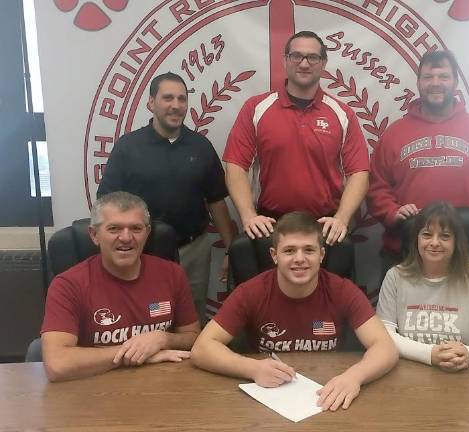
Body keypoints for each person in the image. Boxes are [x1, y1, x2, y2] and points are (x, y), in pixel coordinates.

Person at [191, 212, 398, 411]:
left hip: (328, 393)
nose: (299, 259)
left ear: (321, 254)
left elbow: (385, 347)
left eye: (309, 250)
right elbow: (202, 348)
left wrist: (354, 377)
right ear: (274, 255)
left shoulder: (343, 290)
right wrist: (251, 368)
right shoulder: (250, 291)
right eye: (289, 250)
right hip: (268, 396)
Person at [97, 72, 237, 324]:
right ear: (151, 103)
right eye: (167, 98)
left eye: (182, 99)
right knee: (143, 317)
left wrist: (232, 249)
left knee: (191, 318)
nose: (176, 105)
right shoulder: (128, 147)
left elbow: (217, 201)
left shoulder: (201, 147)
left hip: (192, 250)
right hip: (142, 251)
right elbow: (107, 202)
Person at [367, 50, 469, 270]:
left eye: (443, 77)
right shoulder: (394, 134)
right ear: (419, 82)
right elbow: (376, 189)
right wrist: (392, 211)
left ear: (456, 82)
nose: (435, 83)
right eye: (428, 77)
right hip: (407, 255)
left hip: (466, 254)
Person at [223, 31, 369, 245]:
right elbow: (235, 165)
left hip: (324, 227)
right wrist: (248, 216)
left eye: (312, 57)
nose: (304, 64)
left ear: (323, 63)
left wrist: (341, 219)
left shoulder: (343, 114)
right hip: (270, 226)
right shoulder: (255, 108)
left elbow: (359, 173)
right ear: (285, 60)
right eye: (296, 56)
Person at [41, 192, 200, 382]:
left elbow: (193, 338)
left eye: (136, 228)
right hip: (93, 391)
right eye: (114, 228)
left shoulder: (172, 274)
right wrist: (135, 354)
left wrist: (163, 339)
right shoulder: (68, 285)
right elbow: (57, 364)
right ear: (94, 235)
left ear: (147, 233)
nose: (126, 237)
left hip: (161, 386)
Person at [376, 201, 469, 371]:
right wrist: (430, 354)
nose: (434, 243)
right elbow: (383, 335)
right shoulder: (396, 277)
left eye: (445, 236)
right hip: (409, 377)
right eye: (427, 235)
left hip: (467, 378)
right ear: (416, 239)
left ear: (456, 242)